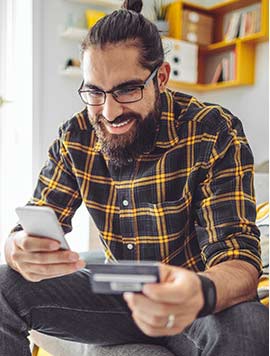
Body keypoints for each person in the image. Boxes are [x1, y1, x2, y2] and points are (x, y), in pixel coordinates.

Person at [0, 1, 268, 355]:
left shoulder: (212, 131)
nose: (109, 113)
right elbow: (33, 225)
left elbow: (239, 260)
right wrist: (18, 249)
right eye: (95, 92)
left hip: (192, 304)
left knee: (250, 326)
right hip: (118, 299)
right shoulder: (76, 136)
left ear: (161, 77)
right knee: (4, 283)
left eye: (127, 90)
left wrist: (200, 292)